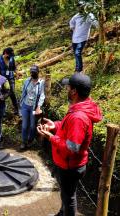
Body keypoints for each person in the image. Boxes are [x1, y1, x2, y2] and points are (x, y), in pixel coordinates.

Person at [37, 73, 102, 216]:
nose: (66, 89)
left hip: (69, 165)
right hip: (69, 163)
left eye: (68, 87)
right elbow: (69, 129)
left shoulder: (78, 116)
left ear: (74, 91)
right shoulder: (81, 107)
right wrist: (55, 125)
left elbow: (72, 148)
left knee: (69, 197)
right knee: (66, 195)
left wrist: (50, 137)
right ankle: (62, 213)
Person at [20, 65, 45, 150]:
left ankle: (30, 141)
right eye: (31, 72)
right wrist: (21, 104)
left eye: (34, 72)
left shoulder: (41, 83)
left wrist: (38, 107)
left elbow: (42, 95)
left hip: (34, 108)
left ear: (38, 72)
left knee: (32, 125)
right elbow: (24, 92)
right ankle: (24, 142)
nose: (32, 74)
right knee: (24, 125)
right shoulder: (27, 81)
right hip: (25, 105)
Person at [69, 1, 98, 72]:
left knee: (77, 53)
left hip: (83, 38)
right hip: (75, 38)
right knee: (76, 54)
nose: (80, 7)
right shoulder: (76, 16)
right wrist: (73, 29)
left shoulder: (89, 15)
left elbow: (96, 24)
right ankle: (77, 67)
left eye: (81, 6)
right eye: (78, 6)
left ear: (85, 6)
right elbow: (71, 23)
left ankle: (80, 69)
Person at [0, 47, 19, 115]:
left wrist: (17, 73)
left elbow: (14, 68)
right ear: (5, 53)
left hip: (10, 78)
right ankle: (3, 111)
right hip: (1, 79)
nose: (10, 57)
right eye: (9, 55)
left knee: (12, 92)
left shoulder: (11, 59)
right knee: (2, 93)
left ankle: (17, 110)